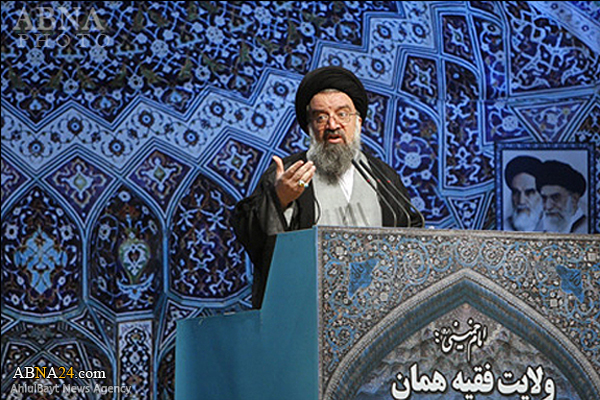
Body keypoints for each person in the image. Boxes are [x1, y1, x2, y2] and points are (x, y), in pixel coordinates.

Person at [232, 66, 423, 308]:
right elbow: (254, 240)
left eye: (342, 114)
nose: (333, 125)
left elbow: (409, 233)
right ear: (309, 127)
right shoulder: (288, 174)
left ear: (359, 122)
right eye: (321, 117)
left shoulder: (383, 177)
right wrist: (280, 199)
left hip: (377, 310)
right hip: (308, 311)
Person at [536, 160, 588, 234]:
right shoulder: (538, 228)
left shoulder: (586, 228)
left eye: (555, 198)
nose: (548, 206)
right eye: (544, 198)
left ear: (574, 199)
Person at [503, 155, 544, 231]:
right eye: (516, 192)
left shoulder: (555, 228)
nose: (521, 201)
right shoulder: (503, 227)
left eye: (529, 193)